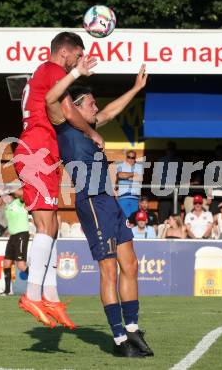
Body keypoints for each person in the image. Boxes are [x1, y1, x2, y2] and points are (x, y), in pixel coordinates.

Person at [46, 61, 153, 357]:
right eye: (91, 103)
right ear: (76, 106)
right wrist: (74, 73)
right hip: (92, 201)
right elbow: (51, 99)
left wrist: (135, 88)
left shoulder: (89, 124)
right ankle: (119, 340)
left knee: (130, 265)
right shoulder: (65, 126)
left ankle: (132, 329)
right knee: (109, 270)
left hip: (110, 201)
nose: (96, 108)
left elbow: (110, 112)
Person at [15, 32, 103, 330]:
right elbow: (66, 111)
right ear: (68, 51)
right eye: (79, 55)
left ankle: (50, 296)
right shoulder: (53, 70)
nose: (81, 61)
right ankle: (31, 294)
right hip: (36, 151)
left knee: (51, 227)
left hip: (44, 153)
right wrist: (91, 133)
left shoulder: (48, 73)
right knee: (45, 227)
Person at [1, 189, 29, 296]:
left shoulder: (18, 202)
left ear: (13, 197)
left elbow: (23, 193)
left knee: (21, 266)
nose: (5, 198)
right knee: (6, 263)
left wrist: (10, 189)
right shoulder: (7, 208)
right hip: (13, 236)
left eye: (8, 196)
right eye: (4, 197)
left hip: (21, 234)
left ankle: (37, 286)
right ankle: (7, 291)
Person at [156, 141, 182, 224]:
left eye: (172, 149)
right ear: (166, 150)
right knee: (163, 218)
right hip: (164, 191)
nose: (171, 151)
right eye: (169, 149)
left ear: (175, 150)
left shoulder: (179, 161)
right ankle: (161, 236)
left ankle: (175, 235)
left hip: (176, 191)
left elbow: (184, 177)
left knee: (175, 218)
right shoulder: (161, 160)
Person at [116, 150, 144, 218]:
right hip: (122, 197)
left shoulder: (139, 166)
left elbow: (140, 178)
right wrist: (133, 174)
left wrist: (125, 176)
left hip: (135, 197)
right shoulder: (120, 165)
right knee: (123, 219)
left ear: (135, 158)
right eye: (129, 157)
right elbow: (120, 175)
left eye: (133, 157)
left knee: (133, 220)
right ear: (126, 157)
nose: (131, 159)